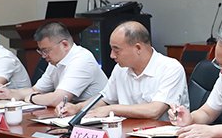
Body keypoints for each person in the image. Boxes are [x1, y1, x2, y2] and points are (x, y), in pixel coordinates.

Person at [58, 21, 187, 120]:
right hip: (128, 132)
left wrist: (112, 109)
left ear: (138, 48)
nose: (112, 55)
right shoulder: (120, 69)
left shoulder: (170, 68)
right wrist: (77, 108)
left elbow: (154, 111)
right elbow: (104, 100)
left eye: (117, 50)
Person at [0, 22, 107, 107]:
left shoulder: (82, 60)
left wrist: (32, 98)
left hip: (95, 116)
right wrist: (9, 93)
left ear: (65, 45)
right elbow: (35, 90)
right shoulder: (55, 62)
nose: (43, 56)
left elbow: (58, 99)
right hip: (70, 112)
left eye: (46, 51)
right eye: (41, 51)